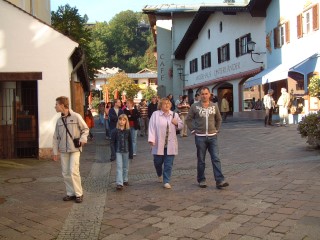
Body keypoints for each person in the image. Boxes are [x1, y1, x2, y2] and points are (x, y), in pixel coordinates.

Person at [185, 87, 229, 189]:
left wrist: (217, 129)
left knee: (216, 158)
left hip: (212, 136)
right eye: (202, 94)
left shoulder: (214, 106)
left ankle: (220, 180)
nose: (204, 96)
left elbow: (219, 119)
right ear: (200, 95)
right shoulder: (194, 106)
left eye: (206, 93)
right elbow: (188, 119)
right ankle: (201, 179)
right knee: (201, 160)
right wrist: (193, 130)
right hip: (200, 137)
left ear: (209, 94)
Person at [52, 96, 89, 203]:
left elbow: (85, 129)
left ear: (62, 105)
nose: (55, 107)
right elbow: (55, 137)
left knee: (74, 171)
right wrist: (55, 152)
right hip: (63, 150)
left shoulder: (76, 116)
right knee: (65, 173)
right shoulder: (59, 121)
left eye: (56, 105)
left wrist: (83, 139)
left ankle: (79, 193)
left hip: (75, 149)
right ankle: (70, 193)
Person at [148, 98, 183, 189]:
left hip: (170, 144)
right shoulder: (155, 115)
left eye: (168, 103)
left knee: (168, 163)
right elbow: (151, 127)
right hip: (158, 143)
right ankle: (159, 173)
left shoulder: (174, 114)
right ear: (160, 105)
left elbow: (181, 125)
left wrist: (176, 124)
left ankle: (166, 180)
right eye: (164, 104)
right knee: (157, 162)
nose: (167, 105)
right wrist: (151, 139)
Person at [110, 114, 133, 190]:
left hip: (126, 151)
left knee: (125, 167)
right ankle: (119, 183)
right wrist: (113, 153)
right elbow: (112, 142)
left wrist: (131, 153)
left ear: (126, 121)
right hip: (118, 151)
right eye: (120, 120)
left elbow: (130, 142)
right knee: (119, 167)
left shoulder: (128, 131)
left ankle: (125, 179)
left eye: (123, 120)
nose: (121, 122)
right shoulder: (115, 131)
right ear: (118, 121)